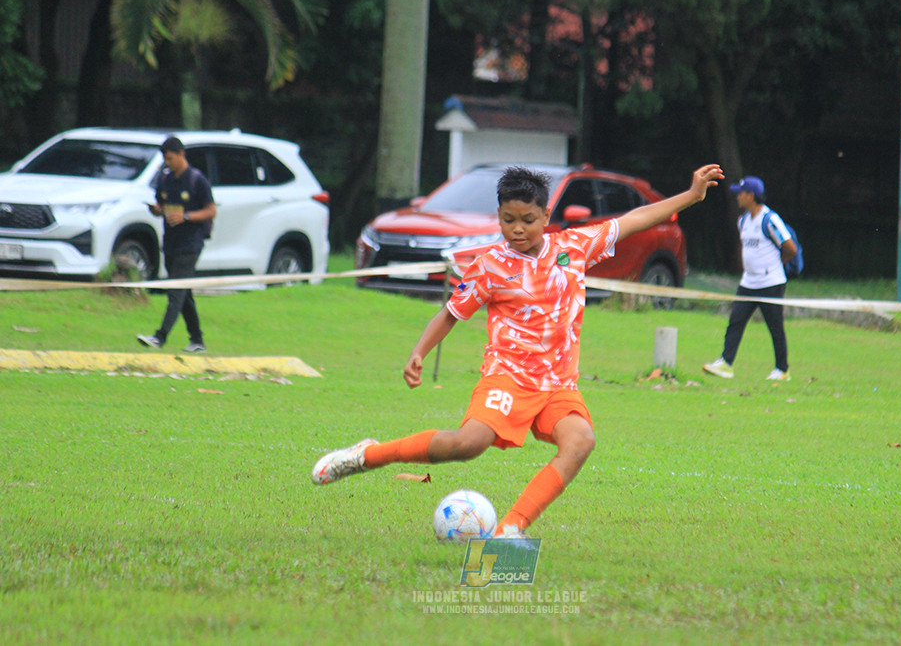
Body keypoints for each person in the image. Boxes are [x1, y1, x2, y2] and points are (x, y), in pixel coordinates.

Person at [312, 164, 725, 538]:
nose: (518, 229)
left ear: (547, 216)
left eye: (528, 220)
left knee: (580, 441)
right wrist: (419, 352)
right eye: (508, 220)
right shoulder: (491, 265)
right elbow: (451, 313)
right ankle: (367, 455)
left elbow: (633, 219)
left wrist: (690, 196)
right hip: (507, 376)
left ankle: (511, 528)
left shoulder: (575, 247)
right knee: (467, 444)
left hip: (557, 384)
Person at [702, 175, 797, 381]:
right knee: (735, 321)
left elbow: (790, 248)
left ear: (751, 195)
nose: (737, 196)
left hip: (770, 283)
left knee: (775, 326)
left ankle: (782, 370)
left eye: (741, 193)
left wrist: (776, 266)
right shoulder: (743, 220)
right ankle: (726, 363)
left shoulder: (769, 219)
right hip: (748, 282)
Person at [137, 136, 216, 353]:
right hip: (170, 242)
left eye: (170, 158)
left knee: (175, 290)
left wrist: (187, 217)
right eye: (165, 159)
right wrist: (156, 209)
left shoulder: (197, 180)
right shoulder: (165, 180)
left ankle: (160, 337)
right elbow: (160, 205)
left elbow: (211, 211)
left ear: (182, 154)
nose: (168, 163)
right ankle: (197, 340)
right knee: (184, 292)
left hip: (191, 243)